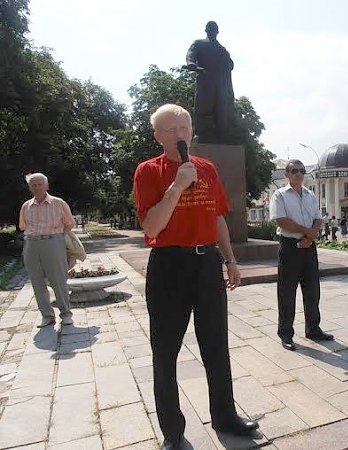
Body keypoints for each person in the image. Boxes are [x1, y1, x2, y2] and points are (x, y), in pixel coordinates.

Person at [133, 104, 258, 449]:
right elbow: (152, 226)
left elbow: (217, 217)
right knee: (165, 351)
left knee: (216, 346)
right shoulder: (148, 171)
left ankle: (225, 416)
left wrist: (230, 259)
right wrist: (176, 185)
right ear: (158, 136)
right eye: (170, 129)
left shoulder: (207, 168)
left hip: (207, 265)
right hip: (169, 266)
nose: (180, 133)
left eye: (184, 126)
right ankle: (173, 433)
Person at [269, 160, 334, 351]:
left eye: (302, 171)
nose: (299, 174)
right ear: (286, 174)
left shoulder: (310, 194)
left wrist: (310, 236)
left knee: (313, 291)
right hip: (290, 247)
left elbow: (317, 218)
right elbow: (281, 221)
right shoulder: (279, 195)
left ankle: (313, 329)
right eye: (295, 171)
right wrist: (307, 232)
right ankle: (286, 334)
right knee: (287, 293)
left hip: (309, 247)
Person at [19, 173, 76, 328]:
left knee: (58, 280)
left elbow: (69, 223)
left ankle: (66, 314)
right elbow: (22, 226)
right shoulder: (26, 206)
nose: (37, 187)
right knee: (37, 282)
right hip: (31, 244)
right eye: (33, 185)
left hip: (53, 242)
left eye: (40, 184)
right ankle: (47, 316)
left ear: (46, 186)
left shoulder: (58, 203)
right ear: (30, 187)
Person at [186, 21, 235, 143]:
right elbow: (191, 55)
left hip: (221, 85)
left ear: (217, 32)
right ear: (206, 31)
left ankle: (221, 135)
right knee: (203, 107)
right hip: (205, 81)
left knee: (220, 110)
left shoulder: (222, 50)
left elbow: (230, 64)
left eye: (214, 30)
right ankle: (201, 133)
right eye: (210, 29)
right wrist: (191, 64)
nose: (212, 32)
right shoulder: (198, 44)